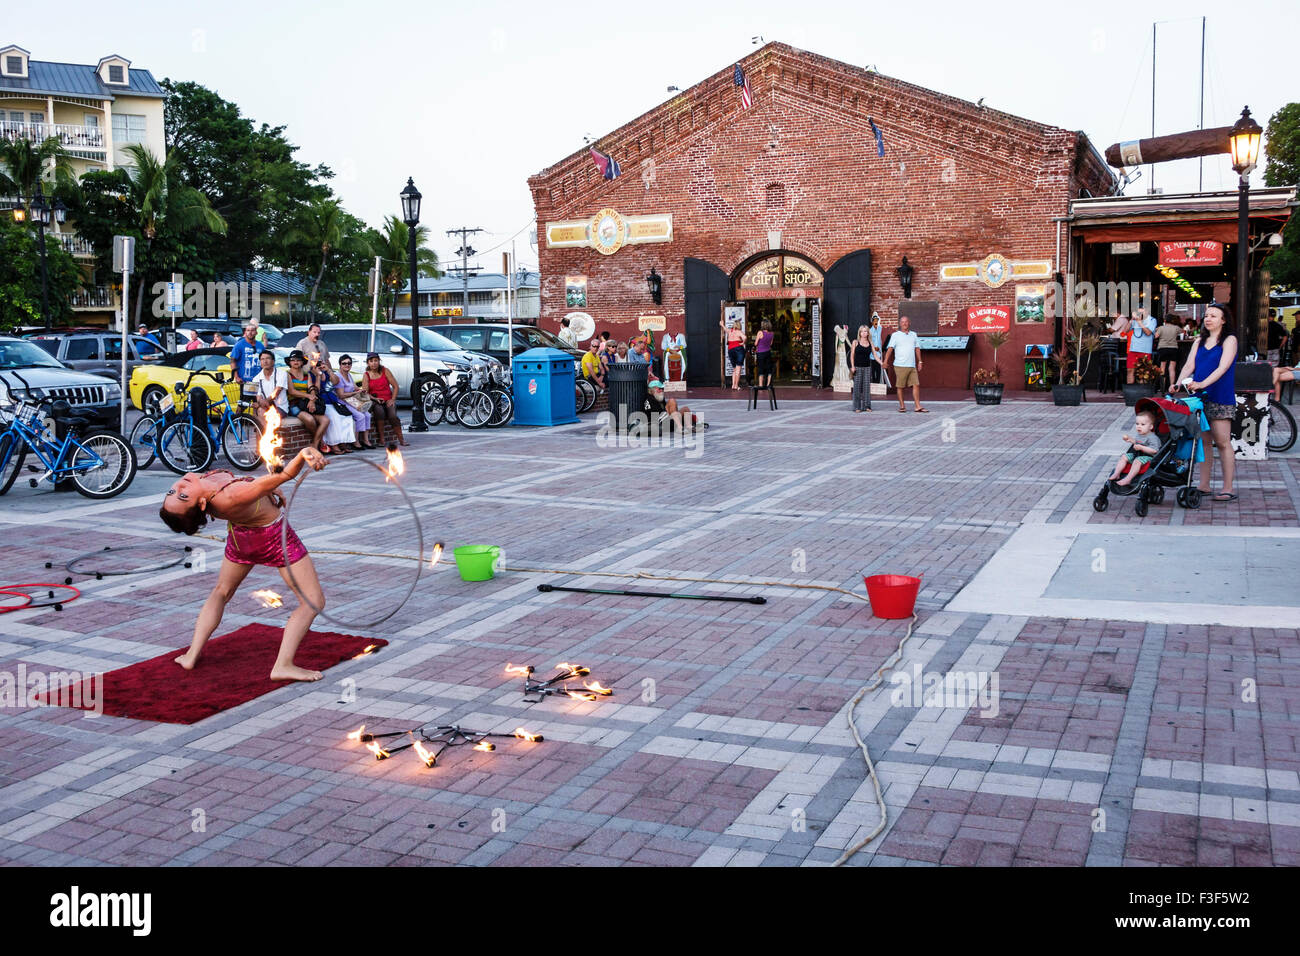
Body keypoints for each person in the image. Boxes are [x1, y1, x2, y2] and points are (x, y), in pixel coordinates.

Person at [160, 447, 329, 683]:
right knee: (313, 601)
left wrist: (268, 491)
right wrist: (303, 455)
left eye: (173, 491)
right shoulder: (230, 496)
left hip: (241, 538)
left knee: (222, 591)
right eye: (182, 496)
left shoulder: (207, 489)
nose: (180, 486)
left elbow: (259, 486)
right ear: (200, 504)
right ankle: (283, 665)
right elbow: (284, 476)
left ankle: (191, 655)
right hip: (273, 537)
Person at [1175, 302, 1238, 503]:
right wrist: (1176, 383)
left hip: (1220, 396)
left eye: (1213, 316)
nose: (1208, 319)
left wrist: (1202, 383)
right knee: (1203, 442)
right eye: (1207, 316)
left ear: (1223, 320)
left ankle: (1227, 487)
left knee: (1222, 442)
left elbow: (1222, 367)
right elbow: (1189, 366)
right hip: (1199, 399)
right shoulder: (1199, 341)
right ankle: (1204, 484)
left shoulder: (1229, 340)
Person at [285, 350, 330, 452]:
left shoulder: (307, 374)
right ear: (289, 362)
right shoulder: (287, 374)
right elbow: (292, 391)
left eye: (298, 360)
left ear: (302, 362)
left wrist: (312, 400)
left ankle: (314, 444)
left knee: (326, 420)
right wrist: (309, 396)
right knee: (309, 419)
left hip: (306, 403)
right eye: (293, 360)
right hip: (294, 404)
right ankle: (321, 442)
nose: (295, 362)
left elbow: (312, 389)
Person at [360, 351, 407, 446]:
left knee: (392, 415)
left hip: (388, 399)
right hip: (375, 400)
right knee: (379, 411)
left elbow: (395, 386)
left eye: (376, 360)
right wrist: (375, 399)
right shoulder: (366, 375)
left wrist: (393, 399)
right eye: (371, 361)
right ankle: (382, 439)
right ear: (368, 363)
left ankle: (401, 439)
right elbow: (365, 393)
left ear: (379, 361)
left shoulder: (385, 371)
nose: (374, 363)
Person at [1107, 408, 1162, 486]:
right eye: (1137, 424)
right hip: (1138, 454)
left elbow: (1154, 451)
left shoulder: (1153, 438)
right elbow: (1137, 443)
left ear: (1151, 427)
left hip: (1149, 457)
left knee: (1137, 460)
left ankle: (1128, 479)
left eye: (1142, 424)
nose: (1139, 427)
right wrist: (1131, 440)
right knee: (1124, 456)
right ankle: (1117, 473)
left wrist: (1141, 448)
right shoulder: (1140, 434)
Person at [885, 315, 928, 413]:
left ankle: (917, 406)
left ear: (909, 323)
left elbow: (917, 348)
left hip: (912, 365)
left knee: (916, 384)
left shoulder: (914, 334)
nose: (904, 323)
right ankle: (902, 406)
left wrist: (920, 361)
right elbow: (890, 349)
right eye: (902, 322)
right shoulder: (895, 335)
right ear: (900, 324)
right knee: (900, 386)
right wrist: (885, 361)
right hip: (900, 365)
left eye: (906, 322)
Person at [333, 355, 375, 449]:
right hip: (342, 402)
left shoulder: (349, 374)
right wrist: (354, 393)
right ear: (340, 365)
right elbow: (341, 395)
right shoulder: (338, 376)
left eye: (349, 363)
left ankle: (365, 440)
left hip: (351, 401)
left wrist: (361, 390)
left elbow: (354, 387)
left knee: (367, 415)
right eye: (344, 363)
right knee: (360, 416)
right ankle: (355, 441)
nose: (347, 365)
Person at [253, 350, 289, 433]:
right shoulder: (256, 378)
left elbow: (277, 391)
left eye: (268, 358)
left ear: (273, 361)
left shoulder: (281, 374)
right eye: (262, 359)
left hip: (280, 408)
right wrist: (260, 401)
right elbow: (258, 396)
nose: (265, 361)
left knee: (265, 416)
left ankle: (266, 437)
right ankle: (267, 437)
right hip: (265, 407)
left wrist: (264, 401)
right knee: (260, 411)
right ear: (260, 362)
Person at [229, 324, 264, 396]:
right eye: (248, 330)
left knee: (258, 404)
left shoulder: (260, 345)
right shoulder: (239, 345)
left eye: (252, 330)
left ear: (256, 332)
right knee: (243, 404)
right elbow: (232, 361)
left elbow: (264, 361)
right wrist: (236, 376)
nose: (250, 332)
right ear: (245, 332)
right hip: (245, 381)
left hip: (258, 381)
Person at [1126, 308, 1156, 385]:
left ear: (1146, 311)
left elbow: (1148, 332)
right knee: (1130, 370)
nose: (1139, 314)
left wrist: (1139, 322)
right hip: (1133, 349)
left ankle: (1142, 393)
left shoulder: (1152, 320)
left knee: (1143, 373)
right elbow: (1125, 330)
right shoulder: (1134, 320)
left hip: (1145, 350)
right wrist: (1131, 320)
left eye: (1141, 312)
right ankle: (1130, 391)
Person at [849, 324, 873, 412]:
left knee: (866, 387)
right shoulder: (855, 342)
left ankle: (867, 406)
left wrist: (882, 363)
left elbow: (875, 355)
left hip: (867, 367)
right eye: (862, 331)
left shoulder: (870, 343)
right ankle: (857, 407)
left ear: (868, 333)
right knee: (857, 388)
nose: (864, 333)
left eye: (865, 331)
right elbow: (852, 356)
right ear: (859, 333)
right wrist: (852, 366)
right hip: (857, 367)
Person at [1154, 314, 1182, 390]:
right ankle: (1172, 386)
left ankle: (1162, 387)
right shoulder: (1176, 328)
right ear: (1172, 320)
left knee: (1162, 367)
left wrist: (1156, 330)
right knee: (1172, 368)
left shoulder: (1161, 328)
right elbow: (1183, 332)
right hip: (1173, 348)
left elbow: (1155, 336)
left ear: (1165, 320)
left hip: (1162, 348)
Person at [721, 317, 746, 390]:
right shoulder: (739, 331)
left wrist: (722, 325)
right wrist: (743, 343)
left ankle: (733, 385)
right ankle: (736, 385)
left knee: (734, 369)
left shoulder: (730, 331)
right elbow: (745, 337)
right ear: (739, 325)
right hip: (738, 349)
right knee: (738, 369)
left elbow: (725, 329)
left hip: (730, 350)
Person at [754, 319, 775, 389]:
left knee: (761, 368)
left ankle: (760, 385)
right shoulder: (772, 333)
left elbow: (756, 343)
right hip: (768, 352)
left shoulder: (760, 332)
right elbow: (771, 343)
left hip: (760, 353)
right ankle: (768, 384)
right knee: (769, 368)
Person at [869, 314, 883, 383]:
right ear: (872, 321)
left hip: (879, 353)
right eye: (874, 320)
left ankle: (877, 383)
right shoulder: (870, 331)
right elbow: (869, 341)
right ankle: (873, 383)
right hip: (872, 354)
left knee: (878, 370)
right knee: (873, 370)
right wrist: (874, 348)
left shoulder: (880, 328)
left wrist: (879, 349)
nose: (875, 321)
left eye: (877, 320)